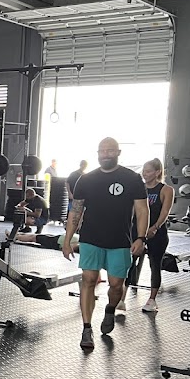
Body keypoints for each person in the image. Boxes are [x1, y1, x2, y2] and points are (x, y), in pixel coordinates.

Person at [63, 137, 148, 349]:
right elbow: (75, 211)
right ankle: (87, 329)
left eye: (110, 150)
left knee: (116, 285)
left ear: (118, 152)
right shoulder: (86, 180)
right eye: (102, 151)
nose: (106, 154)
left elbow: (142, 210)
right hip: (91, 239)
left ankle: (110, 309)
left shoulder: (132, 179)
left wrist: (141, 237)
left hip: (120, 241)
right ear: (98, 154)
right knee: (88, 279)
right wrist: (67, 240)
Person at [128, 158, 174, 313]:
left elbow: (165, 212)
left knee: (155, 265)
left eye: (148, 171)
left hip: (157, 233)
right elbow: (132, 210)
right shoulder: (138, 188)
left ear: (157, 172)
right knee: (129, 262)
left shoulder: (166, 190)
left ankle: (152, 300)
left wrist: (155, 227)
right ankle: (121, 298)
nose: (144, 174)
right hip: (137, 231)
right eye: (143, 171)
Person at [15, 231, 79, 252]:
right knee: (36, 236)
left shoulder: (80, 245)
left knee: (34, 237)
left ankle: (15, 237)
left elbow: (70, 247)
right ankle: (17, 234)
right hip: (60, 237)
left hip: (56, 242)